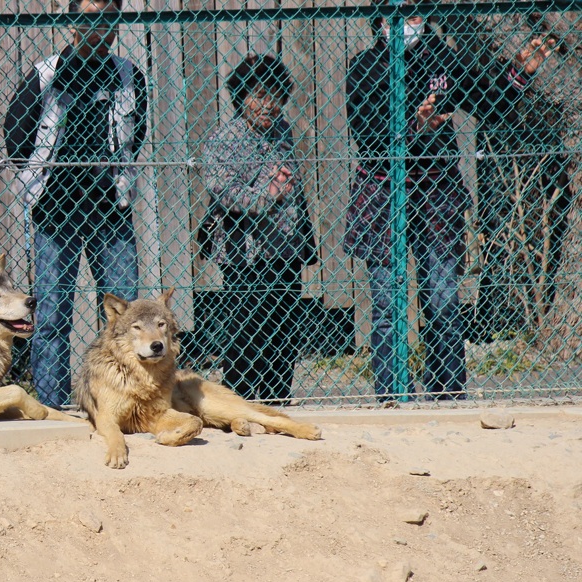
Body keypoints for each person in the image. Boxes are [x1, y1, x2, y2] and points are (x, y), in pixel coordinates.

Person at [344, 0, 554, 400]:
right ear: (380, 18)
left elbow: (489, 104)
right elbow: (365, 133)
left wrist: (518, 74)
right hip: (384, 190)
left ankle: (448, 395)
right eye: (402, 11)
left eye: (418, 10)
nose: (413, 20)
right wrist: (413, 126)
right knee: (387, 308)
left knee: (442, 301)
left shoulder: (442, 57)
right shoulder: (364, 66)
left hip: (437, 191)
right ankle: (391, 398)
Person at [3, 0, 148, 408]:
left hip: (110, 208)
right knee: (50, 315)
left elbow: (136, 135)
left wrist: (107, 175)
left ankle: (121, 397)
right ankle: (51, 404)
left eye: (108, 20)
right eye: (90, 19)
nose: (100, 29)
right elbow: (16, 134)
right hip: (55, 209)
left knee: (123, 312)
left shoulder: (127, 74)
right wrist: (46, 179)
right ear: (72, 23)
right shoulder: (46, 74)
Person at [199, 54, 318, 403]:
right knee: (246, 331)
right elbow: (222, 190)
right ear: (241, 97)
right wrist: (266, 195)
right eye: (259, 95)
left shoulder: (284, 131)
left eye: (275, 96)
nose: (268, 105)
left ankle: (278, 398)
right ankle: (241, 400)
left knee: (284, 328)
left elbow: (293, 190)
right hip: (244, 254)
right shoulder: (224, 139)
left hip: (284, 248)